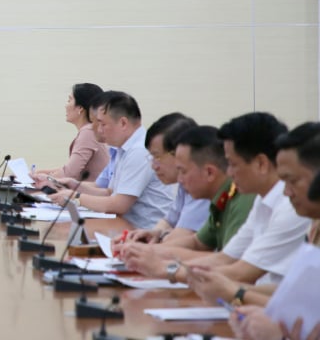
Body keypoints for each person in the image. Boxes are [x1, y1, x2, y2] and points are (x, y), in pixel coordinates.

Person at [127, 112, 309, 286]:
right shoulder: (261, 201)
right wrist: (148, 253)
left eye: (233, 164)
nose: (228, 172)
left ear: (261, 164)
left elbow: (239, 271)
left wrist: (166, 269)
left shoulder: (288, 208)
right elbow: (223, 258)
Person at [187, 122, 320, 310]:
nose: (287, 192)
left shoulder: (293, 212)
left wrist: (236, 293)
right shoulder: (311, 220)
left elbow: (309, 308)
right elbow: (296, 292)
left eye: (293, 181)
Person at [119, 125, 255, 270]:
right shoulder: (221, 197)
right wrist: (143, 250)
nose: (180, 180)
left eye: (183, 171)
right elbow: (197, 242)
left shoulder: (241, 199)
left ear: (209, 172)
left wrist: (160, 263)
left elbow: (227, 262)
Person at [50, 92, 174, 229]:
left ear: (123, 123)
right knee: (65, 228)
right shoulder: (125, 148)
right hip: (124, 225)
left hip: (144, 231)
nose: (99, 130)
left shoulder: (139, 151)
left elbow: (119, 205)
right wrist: (75, 186)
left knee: (64, 229)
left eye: (102, 124)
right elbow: (109, 192)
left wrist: (76, 198)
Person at [116, 114, 205, 246]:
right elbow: (169, 220)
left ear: (180, 152)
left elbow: (184, 235)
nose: (153, 166)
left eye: (157, 157)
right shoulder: (183, 183)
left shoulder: (201, 183)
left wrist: (156, 239)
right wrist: (154, 233)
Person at [32, 83, 110, 183]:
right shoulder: (90, 130)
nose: (66, 105)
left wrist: (42, 178)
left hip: (89, 195)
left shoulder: (88, 132)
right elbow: (69, 169)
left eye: (69, 100)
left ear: (80, 108)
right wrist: (42, 172)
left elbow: (69, 173)